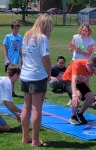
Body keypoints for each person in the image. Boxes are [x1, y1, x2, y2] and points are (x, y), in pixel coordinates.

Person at [20, 14, 53, 147]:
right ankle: (35, 140)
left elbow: (22, 54)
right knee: (37, 108)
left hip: (25, 75)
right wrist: (49, 73)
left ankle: (25, 137)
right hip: (37, 76)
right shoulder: (42, 38)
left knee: (26, 107)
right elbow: (46, 58)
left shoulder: (27, 34)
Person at [62, 57, 96, 125]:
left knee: (91, 98)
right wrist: (74, 94)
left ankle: (80, 113)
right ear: (87, 65)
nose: (93, 72)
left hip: (80, 82)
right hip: (68, 81)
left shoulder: (93, 67)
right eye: (92, 70)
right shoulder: (77, 63)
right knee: (78, 95)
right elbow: (74, 80)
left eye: (94, 70)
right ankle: (73, 117)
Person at [68, 24, 95, 106]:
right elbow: (70, 49)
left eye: (86, 31)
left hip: (85, 63)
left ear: (89, 32)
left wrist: (80, 50)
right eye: (83, 30)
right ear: (80, 30)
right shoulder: (76, 37)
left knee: (86, 80)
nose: (84, 32)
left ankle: (90, 98)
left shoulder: (90, 40)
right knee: (73, 80)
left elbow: (88, 54)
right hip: (75, 61)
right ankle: (73, 97)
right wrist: (72, 48)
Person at [3, 21, 22, 97]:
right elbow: (5, 48)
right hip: (9, 60)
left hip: (16, 60)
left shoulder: (19, 37)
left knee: (15, 76)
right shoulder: (8, 37)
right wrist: (6, 58)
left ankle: (12, 92)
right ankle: (6, 91)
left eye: (17, 28)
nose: (16, 30)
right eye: (15, 28)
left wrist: (22, 58)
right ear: (12, 28)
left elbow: (20, 48)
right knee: (9, 77)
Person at [0, 65, 21, 132]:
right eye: (18, 75)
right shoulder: (7, 84)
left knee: (6, 128)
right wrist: (23, 112)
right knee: (6, 128)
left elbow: (6, 103)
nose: (19, 78)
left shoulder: (4, 80)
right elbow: (10, 105)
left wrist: (16, 115)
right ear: (15, 74)